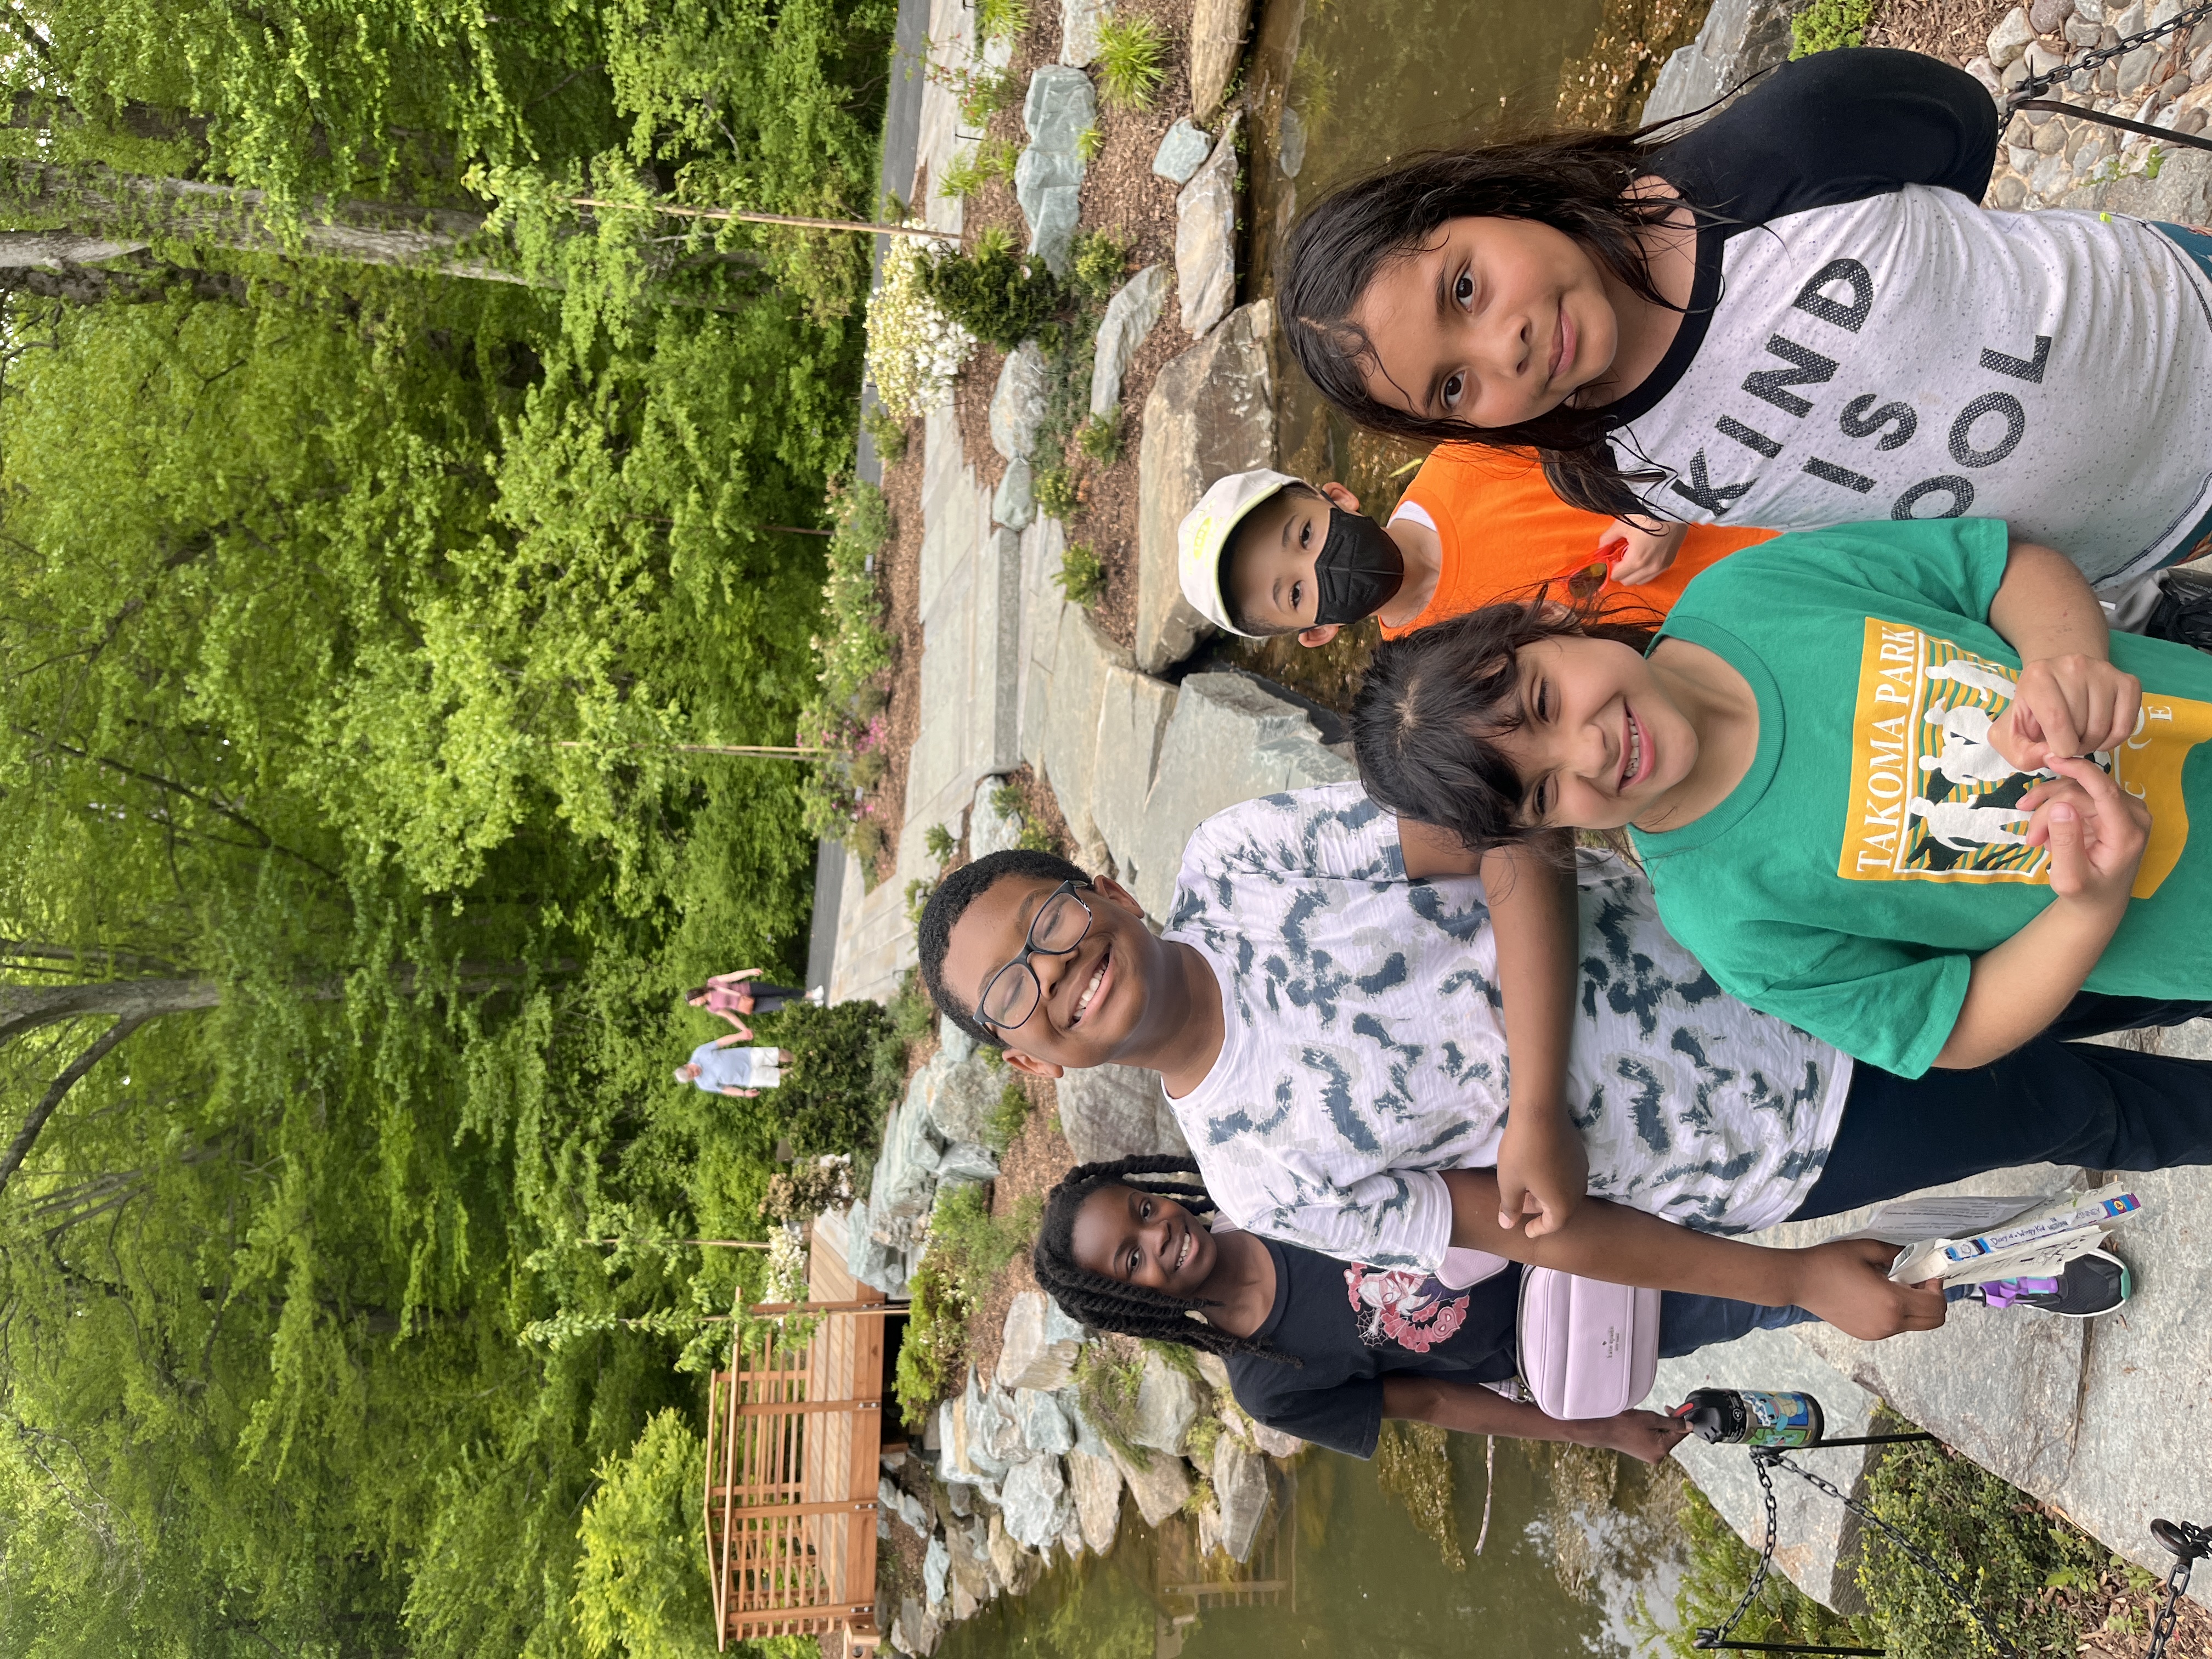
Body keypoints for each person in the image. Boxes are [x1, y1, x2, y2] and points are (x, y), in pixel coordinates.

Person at [912, 792, 2212, 1336]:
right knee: (2081, 1104)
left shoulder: (1242, 859)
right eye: (1015, 990)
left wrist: (1537, 1097)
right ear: (1027, 1055)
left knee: (2113, 949)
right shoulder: (1261, 1179)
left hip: (1778, 944)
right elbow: (1551, 1230)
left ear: (1107, 890)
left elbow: (1511, 839)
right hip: (1778, 1137)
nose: (1059, 967)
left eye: (1049, 922)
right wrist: (1794, 1281)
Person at [1279, 47, 2212, 594]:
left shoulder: (1787, 145)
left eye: (1465, 289)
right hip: (2130, 535)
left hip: (2181, 332)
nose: (1503, 347)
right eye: (1452, 385)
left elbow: (1958, 127)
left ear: (1480, 200)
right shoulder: (1605, 466)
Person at [1349, 518, 2212, 1078]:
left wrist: (2066, 660)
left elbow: (2002, 566)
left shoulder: (1746, 593)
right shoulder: (1727, 917)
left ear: (1551, 625)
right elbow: (1949, 1029)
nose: (1591, 749)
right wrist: (2088, 908)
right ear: (1546, 832)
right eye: (1544, 794)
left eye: (1542, 703)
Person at [1029, 1158, 2129, 1462]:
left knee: (1807, 1222)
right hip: (1591, 1323)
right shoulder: (1273, 1383)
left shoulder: (1272, 1183)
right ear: (1133, 1299)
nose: (1162, 1234)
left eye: (1143, 1210)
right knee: (1796, 1303)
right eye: (1135, 1255)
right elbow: (1442, 1406)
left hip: (1600, 1205)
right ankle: (2010, 1278)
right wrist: (1595, 1424)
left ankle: (2021, 1193)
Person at [1176, 456, 1774, 652]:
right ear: (1318, 632)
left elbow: (1640, 425)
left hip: (1784, 528)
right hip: (1772, 651)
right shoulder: (1435, 671)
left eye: (1304, 537)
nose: (1320, 566)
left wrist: (1657, 498)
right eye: (1297, 593)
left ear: (1337, 496)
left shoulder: (1467, 458)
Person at [686, 969, 809, 1039]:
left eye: (695, 1001)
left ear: (696, 994)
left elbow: (731, 977)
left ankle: (809, 995)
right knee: (781, 1004)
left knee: (782, 991)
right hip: (748, 1006)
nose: (698, 1004)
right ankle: (809, 1004)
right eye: (695, 1005)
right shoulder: (711, 1008)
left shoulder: (712, 983)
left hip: (749, 989)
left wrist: (750, 972)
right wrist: (744, 1029)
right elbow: (730, 1016)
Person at [675, 1035, 794, 1098]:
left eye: (692, 1071)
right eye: (693, 1077)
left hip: (748, 1055)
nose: (696, 1074)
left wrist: (740, 1036)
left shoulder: (699, 1053)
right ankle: (800, 1069)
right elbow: (725, 1090)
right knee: (780, 1075)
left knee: (779, 1054)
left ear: (687, 1065)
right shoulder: (703, 1084)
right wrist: (743, 1093)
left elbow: (720, 1043)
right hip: (749, 1078)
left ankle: (802, 1056)